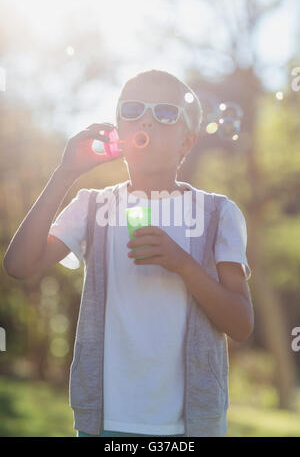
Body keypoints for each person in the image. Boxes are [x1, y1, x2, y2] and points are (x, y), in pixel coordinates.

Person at [3, 69, 254, 437]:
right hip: (104, 423)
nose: (146, 119)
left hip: (192, 427)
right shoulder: (91, 206)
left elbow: (242, 324)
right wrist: (64, 173)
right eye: (133, 109)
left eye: (165, 112)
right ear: (119, 131)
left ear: (186, 141)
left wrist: (183, 264)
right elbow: (19, 265)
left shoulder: (218, 213)